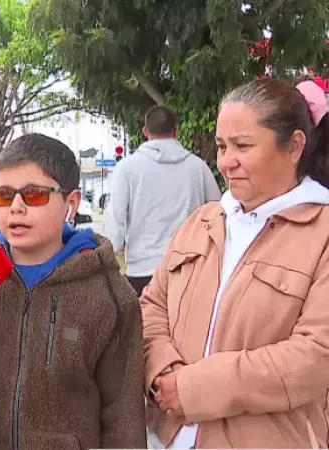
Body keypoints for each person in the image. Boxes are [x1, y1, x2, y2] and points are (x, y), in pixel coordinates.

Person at [0, 133, 146, 450]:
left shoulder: (110, 297)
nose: (16, 208)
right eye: (4, 195)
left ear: (71, 203)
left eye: (33, 195)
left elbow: (124, 417)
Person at [142, 78, 329, 448]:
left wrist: (194, 388)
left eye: (243, 146)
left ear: (294, 146)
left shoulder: (321, 233)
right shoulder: (202, 222)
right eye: (222, 146)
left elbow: (315, 355)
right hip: (168, 436)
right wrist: (164, 371)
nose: (227, 162)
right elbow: (152, 306)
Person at [104, 105, 221, 295]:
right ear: (176, 131)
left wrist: (111, 256)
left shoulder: (127, 168)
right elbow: (218, 215)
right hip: (190, 268)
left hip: (142, 270)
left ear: (145, 131)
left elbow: (115, 220)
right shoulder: (198, 168)